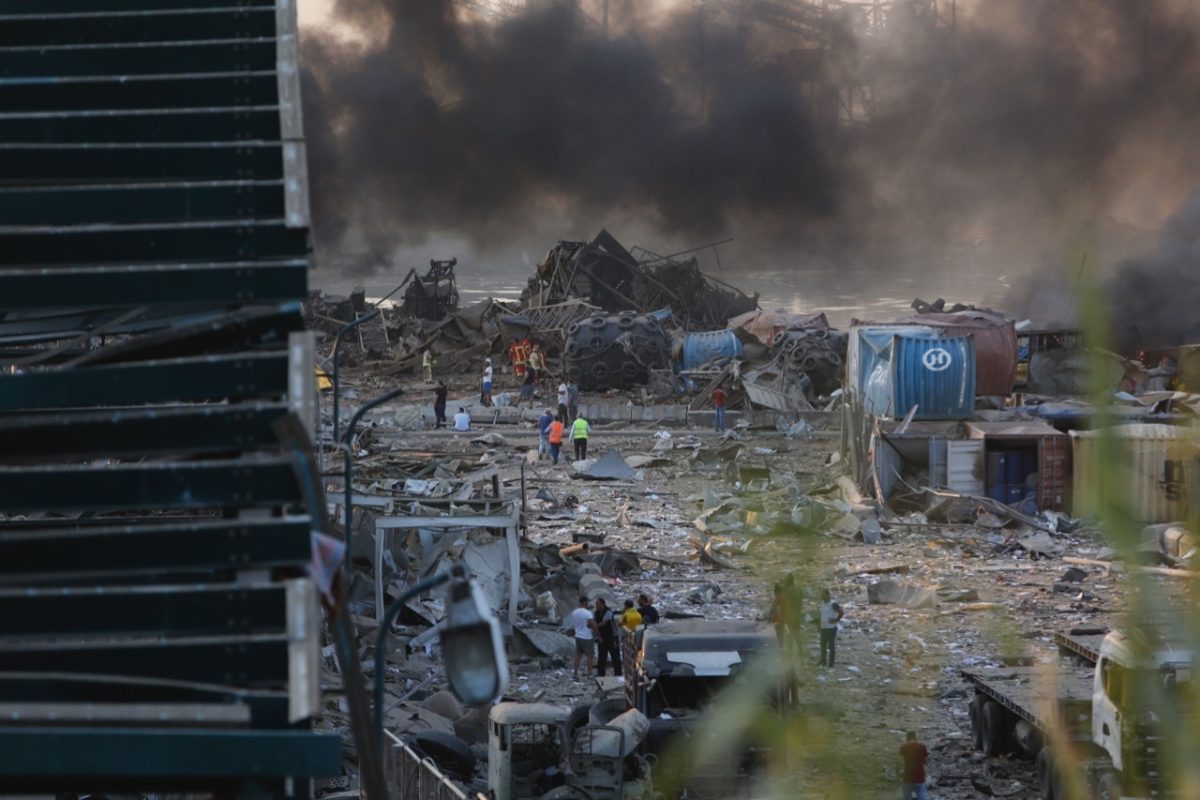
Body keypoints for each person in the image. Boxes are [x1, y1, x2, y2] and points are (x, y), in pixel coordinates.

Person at [593, 598, 622, 677]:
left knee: (615, 655)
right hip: (602, 636)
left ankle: (618, 672)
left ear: (603, 604)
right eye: (596, 604)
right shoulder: (596, 613)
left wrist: (595, 626)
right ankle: (601, 673)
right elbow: (594, 621)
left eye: (598, 604)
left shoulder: (608, 611)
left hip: (612, 636)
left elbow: (604, 622)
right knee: (602, 656)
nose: (596, 606)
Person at [572, 596, 598, 679]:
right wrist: (598, 635)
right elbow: (592, 624)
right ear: (585, 602)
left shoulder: (575, 612)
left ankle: (575, 673)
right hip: (587, 637)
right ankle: (590, 674)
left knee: (578, 656)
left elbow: (581, 618)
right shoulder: (588, 613)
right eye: (587, 602)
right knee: (590, 656)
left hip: (578, 636)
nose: (588, 604)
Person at [899, 732, 929, 800]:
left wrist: (898, 773)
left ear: (907, 738)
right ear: (915, 738)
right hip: (920, 777)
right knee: (922, 796)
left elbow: (899, 762)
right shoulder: (922, 746)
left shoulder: (904, 747)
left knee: (907, 797)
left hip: (907, 778)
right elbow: (926, 761)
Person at [817, 588, 844, 667]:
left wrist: (836, 620)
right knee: (823, 645)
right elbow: (822, 615)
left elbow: (841, 611)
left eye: (822, 595)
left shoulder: (833, 604)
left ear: (827, 595)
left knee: (831, 646)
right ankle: (823, 661)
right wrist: (819, 625)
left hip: (831, 628)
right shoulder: (823, 603)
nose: (821, 596)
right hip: (823, 628)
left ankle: (831, 663)